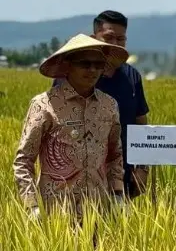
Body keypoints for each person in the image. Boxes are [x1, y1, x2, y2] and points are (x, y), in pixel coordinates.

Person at [14, 34, 129, 222]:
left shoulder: (109, 106)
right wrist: (31, 205)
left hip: (97, 212)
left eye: (98, 64)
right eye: (85, 64)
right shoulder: (44, 105)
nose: (92, 70)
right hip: (54, 213)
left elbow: (115, 155)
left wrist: (117, 194)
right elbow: (23, 161)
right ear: (68, 65)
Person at [53, 11, 150, 199]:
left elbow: (141, 124)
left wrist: (142, 168)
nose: (115, 43)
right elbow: (55, 125)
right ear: (93, 38)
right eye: (109, 37)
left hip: (120, 178)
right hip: (74, 179)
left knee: (117, 217)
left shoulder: (132, 77)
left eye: (121, 39)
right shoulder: (70, 76)